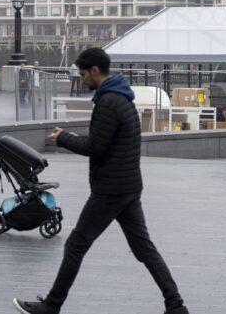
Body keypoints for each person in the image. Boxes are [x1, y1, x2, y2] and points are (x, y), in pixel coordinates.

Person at [13, 47, 188, 314]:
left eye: (83, 74)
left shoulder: (108, 101)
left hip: (110, 190)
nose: (81, 79)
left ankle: (51, 305)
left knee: (75, 245)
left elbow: (96, 147)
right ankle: (175, 306)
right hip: (128, 186)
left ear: (95, 71)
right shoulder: (122, 97)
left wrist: (63, 138)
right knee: (144, 248)